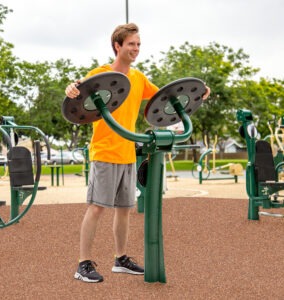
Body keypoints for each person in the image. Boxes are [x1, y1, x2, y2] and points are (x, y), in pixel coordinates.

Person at [65, 23, 211, 283]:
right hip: (105, 151)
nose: (136, 49)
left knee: (124, 209)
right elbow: (77, 90)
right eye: (131, 44)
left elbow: (166, 99)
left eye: (138, 44)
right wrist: (71, 88)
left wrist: (198, 93)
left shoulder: (138, 78)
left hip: (127, 152)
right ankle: (82, 264)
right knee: (97, 207)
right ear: (117, 46)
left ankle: (120, 259)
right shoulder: (100, 74)